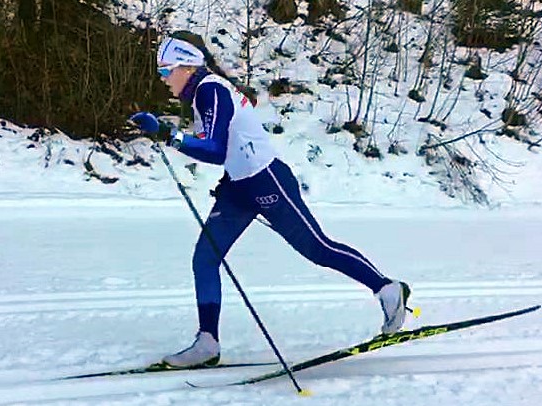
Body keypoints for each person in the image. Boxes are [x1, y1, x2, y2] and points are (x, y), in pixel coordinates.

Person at [130, 31, 411, 368]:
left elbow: (216, 149)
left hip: (267, 180)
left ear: (187, 67)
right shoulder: (203, 93)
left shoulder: (211, 90)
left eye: (165, 71)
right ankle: (207, 342)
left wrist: (166, 134)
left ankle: (388, 289)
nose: (163, 80)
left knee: (317, 248)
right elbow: (232, 146)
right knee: (205, 258)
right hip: (238, 187)